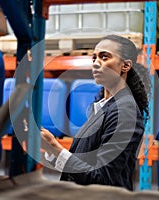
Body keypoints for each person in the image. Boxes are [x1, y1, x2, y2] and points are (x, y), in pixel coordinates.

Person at [40, 34, 150, 191]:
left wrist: (55, 147)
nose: (96, 63)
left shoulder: (125, 113)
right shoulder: (101, 107)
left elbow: (103, 178)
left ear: (125, 66)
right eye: (94, 58)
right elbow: (82, 160)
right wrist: (51, 150)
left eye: (104, 57)